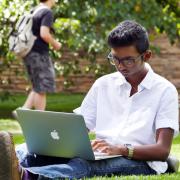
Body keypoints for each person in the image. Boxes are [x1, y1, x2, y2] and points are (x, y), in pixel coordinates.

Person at [1, 20, 179, 180]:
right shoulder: (103, 84)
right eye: (114, 59)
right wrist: (57, 142)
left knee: (83, 165)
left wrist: (121, 149)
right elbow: (80, 126)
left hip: (139, 161)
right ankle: (13, 166)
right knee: (28, 150)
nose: (120, 66)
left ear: (146, 56)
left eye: (128, 60)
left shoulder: (165, 91)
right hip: (100, 153)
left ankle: (26, 176)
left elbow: (162, 150)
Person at [16, 0, 61, 112]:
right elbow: (44, 33)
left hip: (29, 52)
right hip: (39, 54)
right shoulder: (47, 12)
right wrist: (56, 44)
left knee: (37, 86)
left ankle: (24, 111)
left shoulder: (34, 10)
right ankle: (39, 119)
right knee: (42, 87)